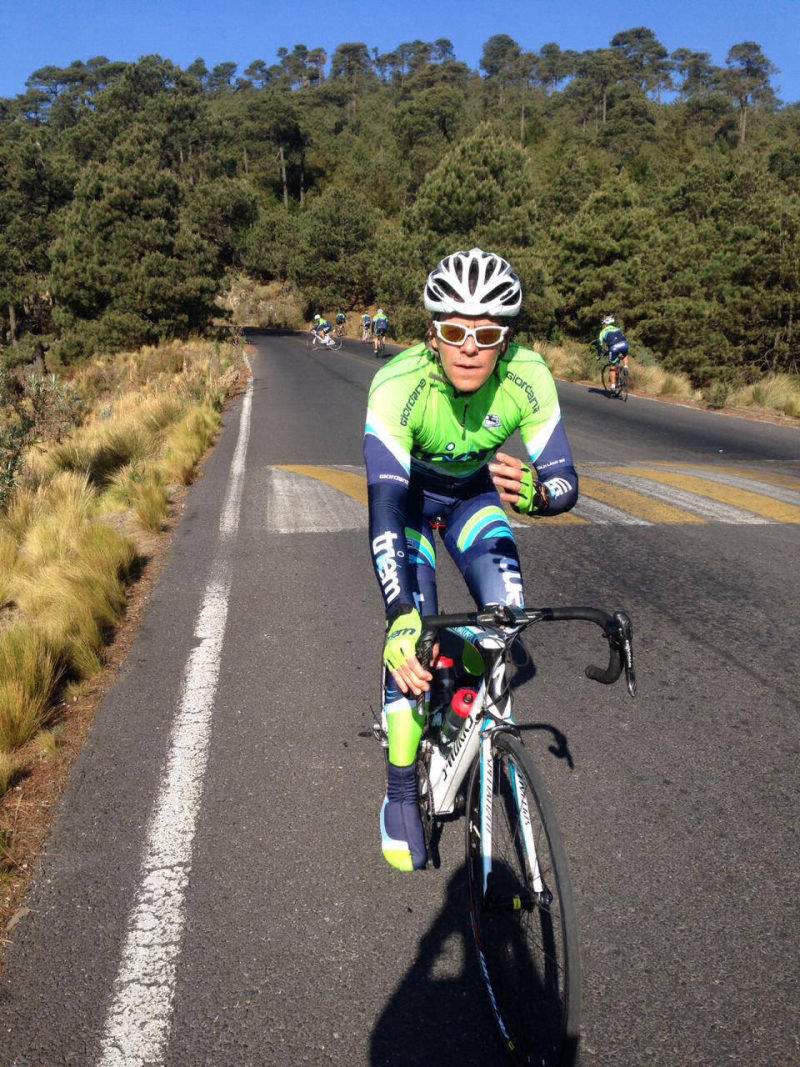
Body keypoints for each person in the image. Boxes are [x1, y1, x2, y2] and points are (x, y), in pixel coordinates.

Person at [364, 247, 579, 872]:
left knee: (506, 617)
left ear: (504, 340)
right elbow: (384, 507)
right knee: (413, 639)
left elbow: (565, 479)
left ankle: (469, 707)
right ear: (433, 333)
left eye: (486, 335)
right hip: (407, 504)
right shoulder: (398, 385)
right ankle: (400, 788)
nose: (468, 348)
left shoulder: (528, 375)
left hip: (471, 499)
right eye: (454, 331)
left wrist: (542, 495)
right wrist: (399, 612)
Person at [596, 316, 629, 391]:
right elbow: (621, 338)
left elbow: (599, 345)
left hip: (614, 348)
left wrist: (598, 355)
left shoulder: (602, 332)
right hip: (624, 344)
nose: (603, 325)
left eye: (603, 324)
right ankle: (626, 367)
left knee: (612, 367)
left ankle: (613, 386)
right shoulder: (618, 329)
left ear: (605, 324)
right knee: (625, 353)